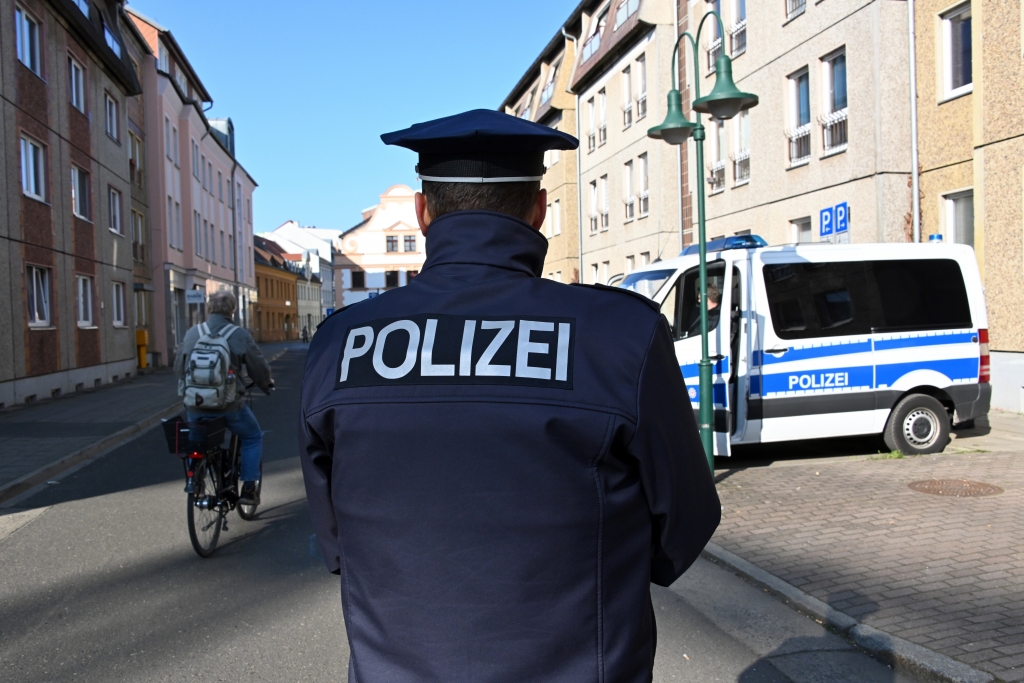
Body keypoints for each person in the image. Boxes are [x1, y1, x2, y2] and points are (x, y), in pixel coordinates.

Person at [299, 110, 720, 683]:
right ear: (539, 210)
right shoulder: (621, 334)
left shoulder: (339, 343)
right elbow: (684, 527)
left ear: (423, 213)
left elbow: (336, 541)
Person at [175, 291, 273, 505]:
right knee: (252, 437)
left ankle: (196, 481)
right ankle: (249, 490)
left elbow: (178, 368)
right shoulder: (239, 335)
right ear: (232, 311)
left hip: (196, 406)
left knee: (196, 442)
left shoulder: (193, 333)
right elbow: (258, 367)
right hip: (228, 406)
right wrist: (266, 385)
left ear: (209, 308)